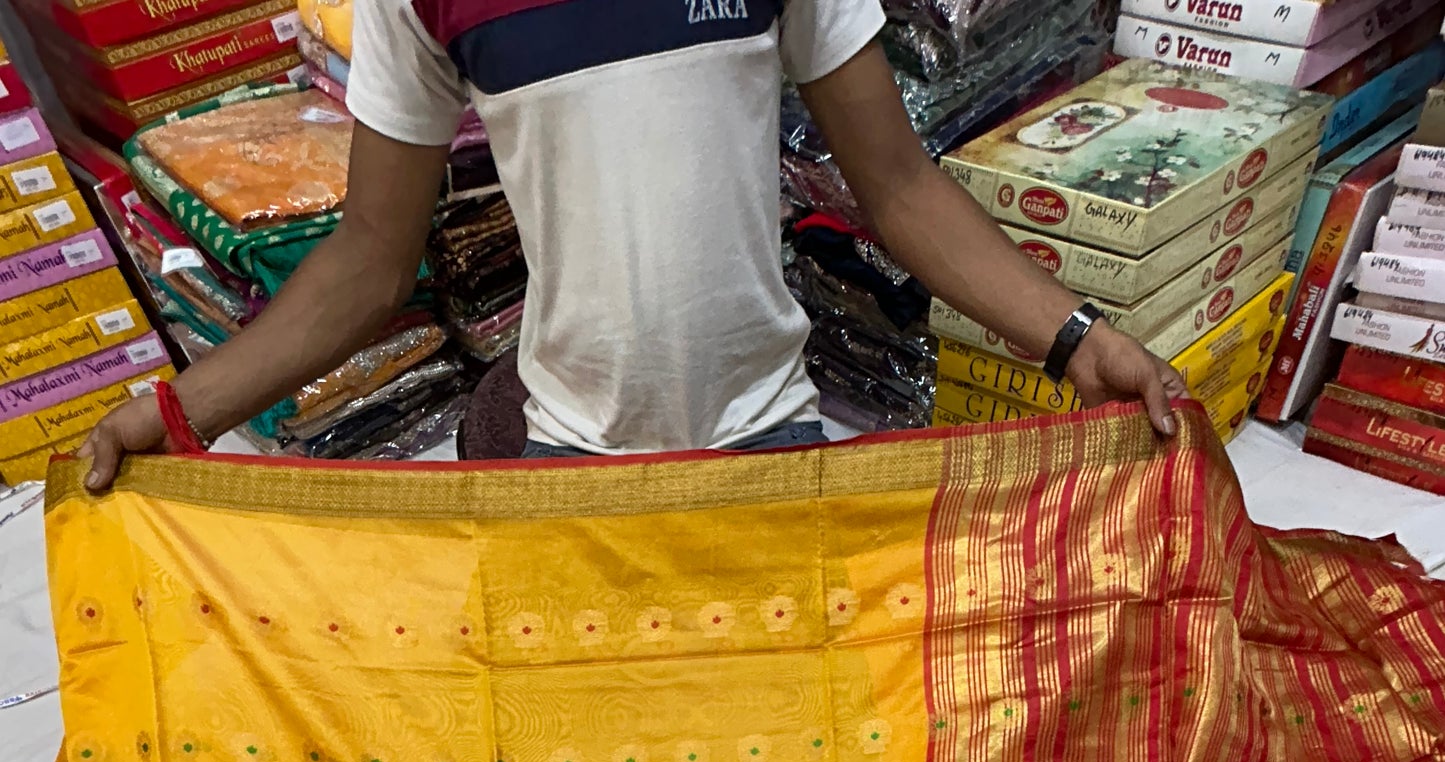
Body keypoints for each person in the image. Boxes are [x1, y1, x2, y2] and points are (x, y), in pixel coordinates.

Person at [81, 0, 1186, 488]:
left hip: (770, 441)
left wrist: (1077, 339)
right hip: (569, 457)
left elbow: (894, 183)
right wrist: (171, 415)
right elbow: (372, 256)